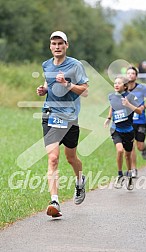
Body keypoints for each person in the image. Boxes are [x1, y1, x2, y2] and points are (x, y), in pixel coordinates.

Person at [36, 31, 89, 217]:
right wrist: (44, 89)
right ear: (50, 46)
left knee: (71, 158)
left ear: (66, 45)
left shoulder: (75, 66)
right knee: (53, 158)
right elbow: (48, 83)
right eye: (54, 43)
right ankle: (55, 201)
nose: (57, 47)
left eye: (60, 43)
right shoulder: (46, 65)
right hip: (50, 115)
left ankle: (80, 181)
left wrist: (67, 84)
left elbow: (85, 91)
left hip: (70, 117)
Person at [104, 76, 142, 190]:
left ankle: (129, 174)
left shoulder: (130, 97)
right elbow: (112, 106)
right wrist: (109, 117)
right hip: (116, 129)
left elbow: (139, 110)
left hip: (128, 130)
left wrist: (128, 105)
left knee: (127, 155)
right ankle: (120, 175)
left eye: (119, 83)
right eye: (115, 83)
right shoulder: (111, 96)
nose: (116, 85)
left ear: (125, 86)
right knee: (120, 150)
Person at [126, 66, 146, 178]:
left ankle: (143, 148)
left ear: (136, 76)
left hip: (141, 121)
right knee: (131, 145)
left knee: (139, 145)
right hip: (129, 122)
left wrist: (143, 107)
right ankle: (133, 169)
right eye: (128, 73)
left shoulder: (142, 88)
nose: (130, 75)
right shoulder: (124, 88)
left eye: (132, 73)